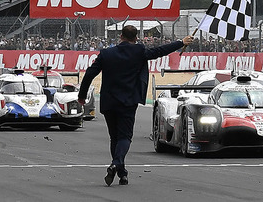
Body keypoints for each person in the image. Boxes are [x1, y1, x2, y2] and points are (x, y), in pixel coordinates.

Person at [78, 25, 194, 187]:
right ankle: (116, 164)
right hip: (128, 100)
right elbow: (159, 51)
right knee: (125, 137)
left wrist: (82, 96)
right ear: (136, 38)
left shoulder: (106, 54)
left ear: (120, 36)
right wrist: (180, 42)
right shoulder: (139, 51)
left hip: (109, 101)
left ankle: (122, 173)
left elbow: (90, 73)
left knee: (115, 138)